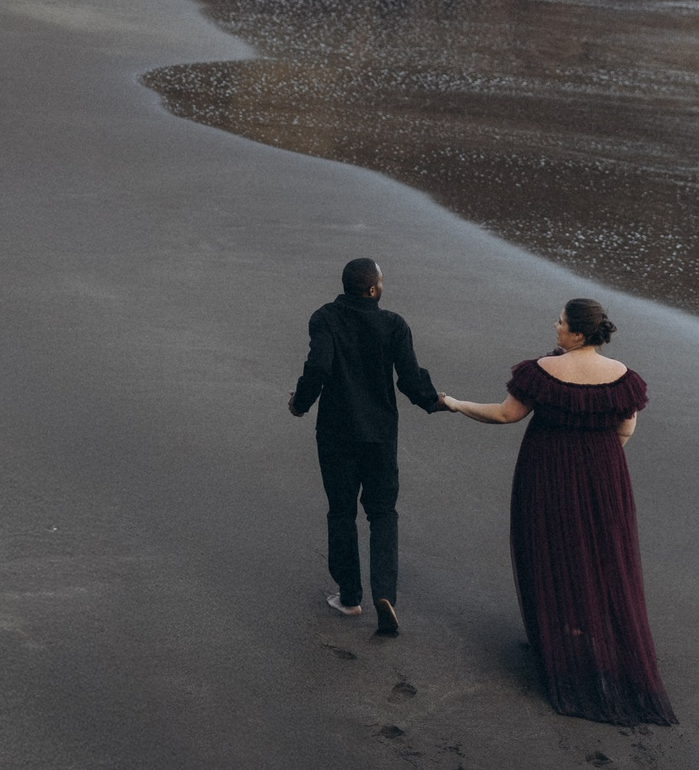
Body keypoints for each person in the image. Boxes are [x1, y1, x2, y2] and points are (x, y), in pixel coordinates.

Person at [441, 298, 676, 726]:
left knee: (551, 550)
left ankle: (561, 641)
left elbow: (505, 414)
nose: (556, 326)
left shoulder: (542, 372)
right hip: (606, 479)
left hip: (547, 472)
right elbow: (625, 429)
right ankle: (596, 639)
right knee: (604, 557)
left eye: (561, 322)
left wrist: (456, 403)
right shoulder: (623, 377)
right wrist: (593, 463)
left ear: (578, 334)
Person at [289, 257, 444, 636]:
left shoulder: (324, 317)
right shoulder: (393, 324)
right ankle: (385, 594)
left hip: (336, 433)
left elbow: (318, 367)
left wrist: (299, 403)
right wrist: (434, 400)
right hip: (380, 435)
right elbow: (409, 378)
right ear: (373, 289)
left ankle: (350, 597)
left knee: (341, 511)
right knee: (382, 513)